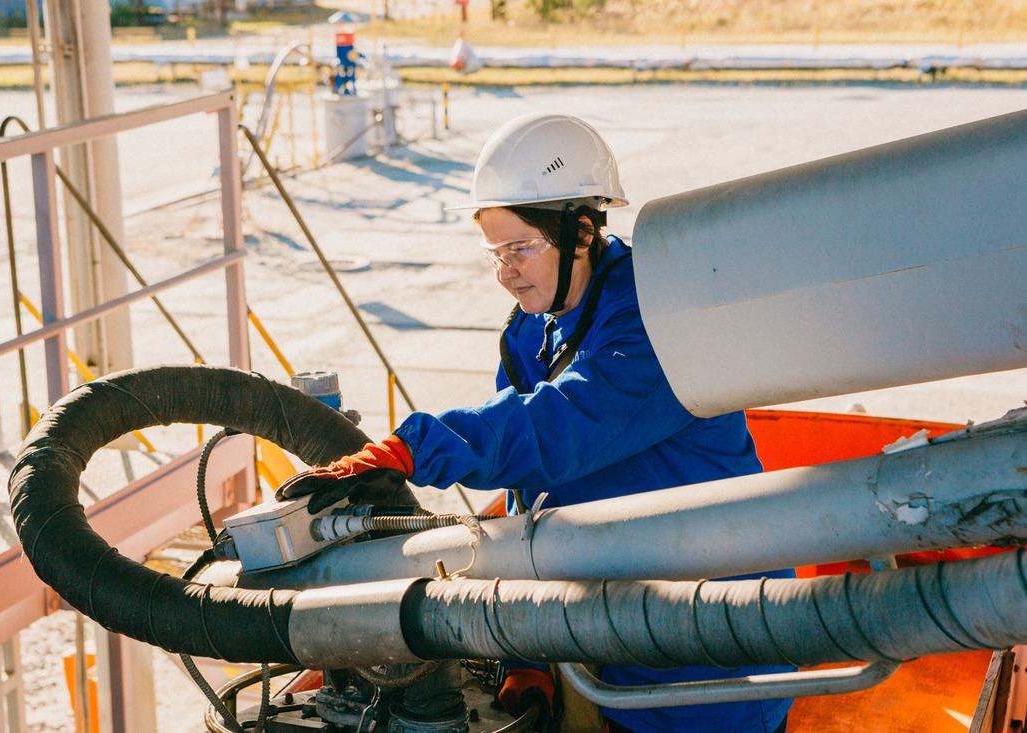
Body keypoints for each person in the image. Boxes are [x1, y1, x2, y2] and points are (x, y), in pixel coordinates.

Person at [277, 112, 795, 733]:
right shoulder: (533, 331)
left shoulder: (660, 318)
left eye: (521, 248)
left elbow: (561, 424)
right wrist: (526, 654)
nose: (505, 271)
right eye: (496, 251)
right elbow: (529, 500)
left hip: (715, 654)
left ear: (581, 231)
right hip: (615, 638)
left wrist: (414, 448)